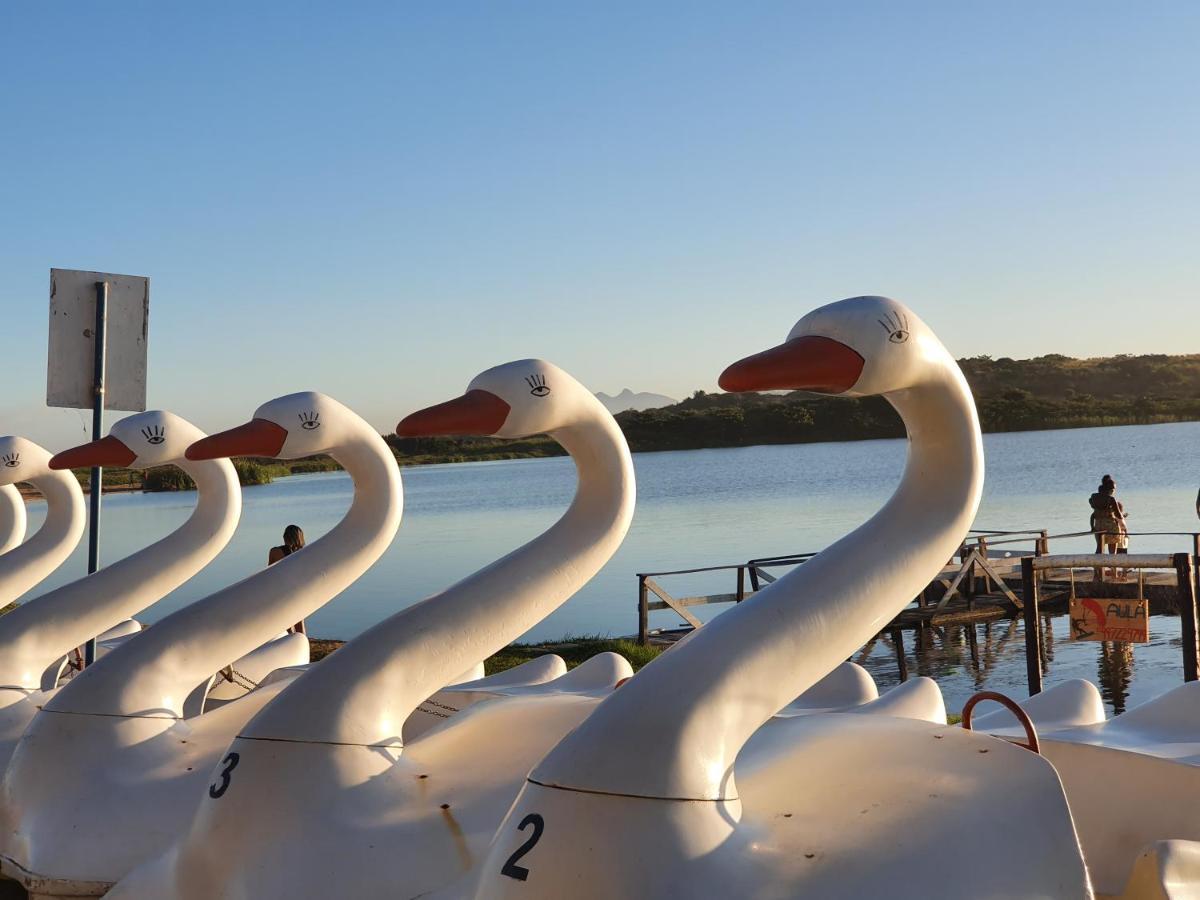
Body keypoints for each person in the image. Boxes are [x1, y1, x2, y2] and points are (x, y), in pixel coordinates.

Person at [268, 524, 307, 634]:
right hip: (300, 590)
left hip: (282, 591)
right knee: (300, 622)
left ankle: (291, 646)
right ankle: (304, 647)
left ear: (285, 537)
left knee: (286, 623)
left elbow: (268, 575)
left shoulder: (275, 552)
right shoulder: (304, 553)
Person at [1089, 476, 1128, 580]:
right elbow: (1118, 514)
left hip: (1098, 525)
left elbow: (1092, 506)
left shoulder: (1094, 497)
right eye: (1113, 489)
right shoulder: (1111, 499)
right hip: (1111, 526)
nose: (1114, 491)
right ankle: (1114, 575)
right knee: (1112, 552)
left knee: (1099, 549)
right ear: (1109, 489)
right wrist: (1123, 519)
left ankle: (1096, 573)